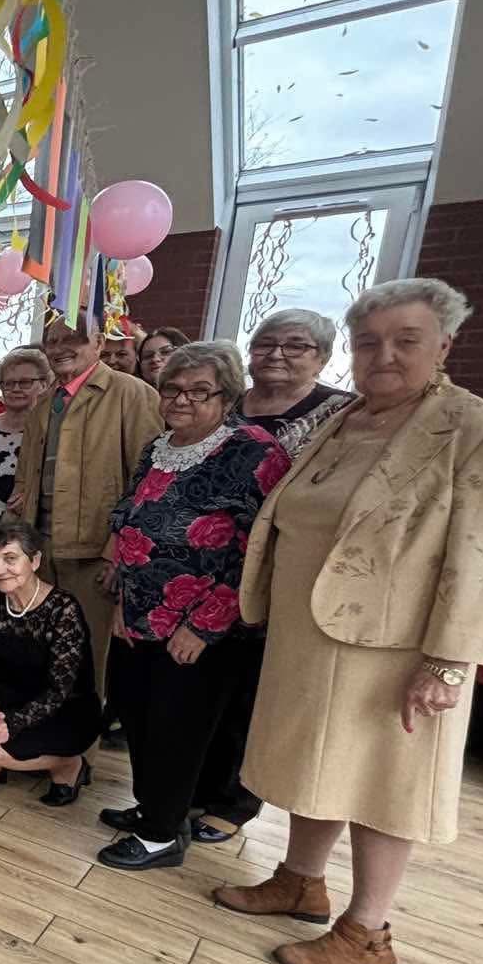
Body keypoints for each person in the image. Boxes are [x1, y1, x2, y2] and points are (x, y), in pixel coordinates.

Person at [213, 278, 483, 964]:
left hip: (396, 646)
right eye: (368, 342)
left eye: (405, 340)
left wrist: (449, 662)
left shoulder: (473, 427)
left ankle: (367, 933)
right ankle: (300, 881)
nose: (384, 355)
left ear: (444, 345)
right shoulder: (347, 417)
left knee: (383, 783)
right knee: (317, 767)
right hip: (312, 633)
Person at [92, 342, 290, 872]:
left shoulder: (254, 451)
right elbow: (129, 519)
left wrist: (203, 627)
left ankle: (161, 836)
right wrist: (123, 600)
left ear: (227, 397)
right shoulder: (160, 446)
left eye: (199, 391)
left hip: (200, 626)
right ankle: (157, 806)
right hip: (139, 615)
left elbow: (257, 550)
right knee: (139, 718)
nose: (182, 400)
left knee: (177, 729)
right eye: (173, 389)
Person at [9, 315, 161, 702]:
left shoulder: (131, 394)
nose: (60, 348)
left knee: (87, 658)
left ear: (98, 343)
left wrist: (118, 552)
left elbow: (149, 483)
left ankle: (81, 739)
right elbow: (25, 480)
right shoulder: (45, 404)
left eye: (73, 338)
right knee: (42, 651)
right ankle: (43, 731)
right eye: (52, 340)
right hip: (41, 550)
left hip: (95, 553)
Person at [0, 520, 102, 804]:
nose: (0, 570)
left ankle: (69, 765)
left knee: (4, 751)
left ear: (35, 560)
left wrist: (9, 725)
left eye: (10, 558)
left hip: (63, 706)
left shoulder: (63, 609)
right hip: (10, 694)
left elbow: (60, 690)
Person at [240, 308, 353, 459]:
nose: (275, 355)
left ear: (322, 359)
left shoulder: (345, 410)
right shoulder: (224, 403)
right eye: (265, 344)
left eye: (295, 347)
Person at [0, 346, 49, 546]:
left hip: (24, 534)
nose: (15, 389)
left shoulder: (49, 432)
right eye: (8, 383)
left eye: (25, 382)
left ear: (44, 384)